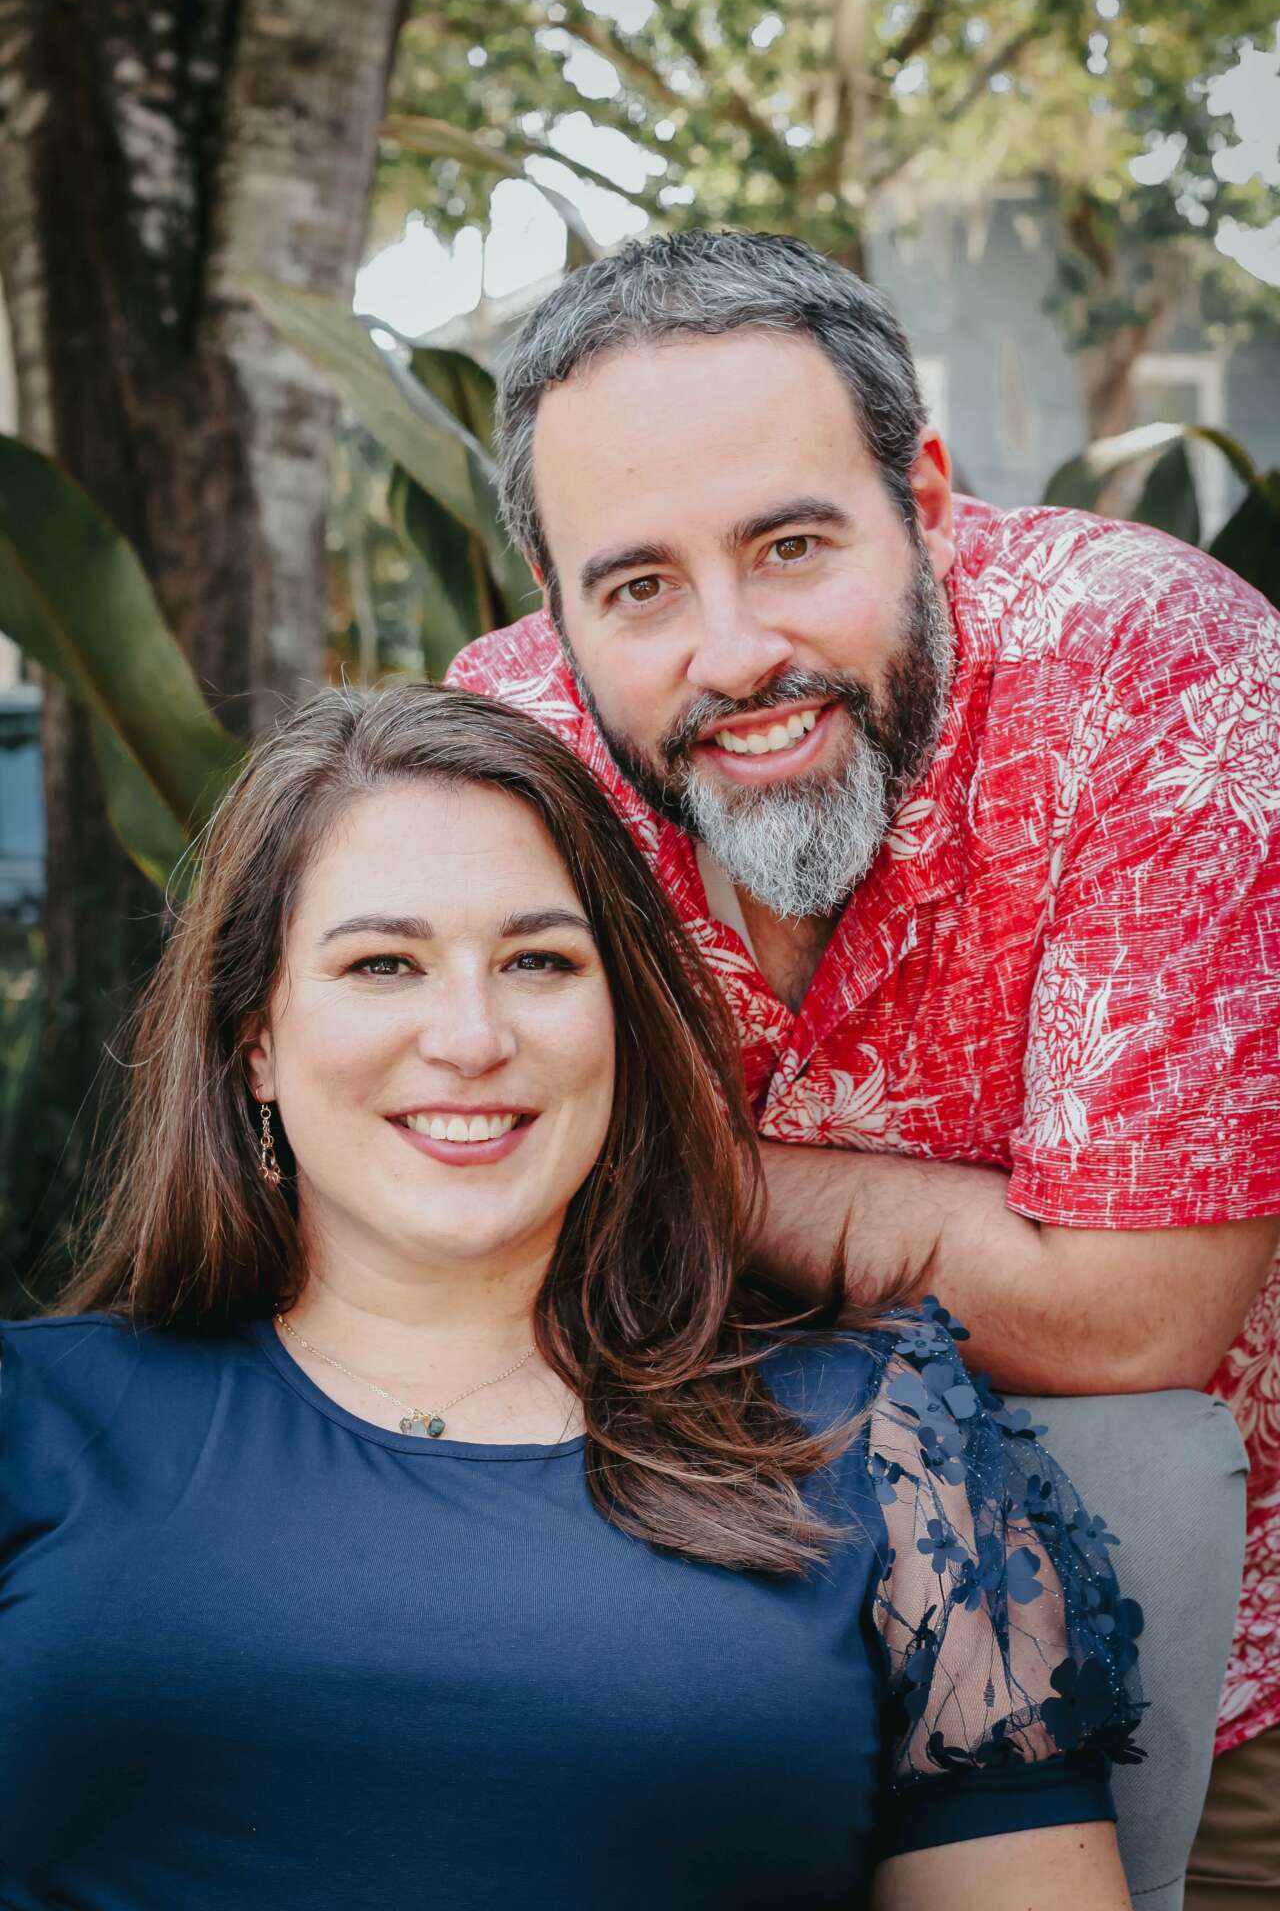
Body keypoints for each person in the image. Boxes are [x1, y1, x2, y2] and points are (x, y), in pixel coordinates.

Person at [0, 684, 1143, 1909]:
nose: (470, 1037)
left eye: (537, 961)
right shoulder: (36, 1417)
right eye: (383, 964)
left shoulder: (872, 1437)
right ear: (255, 1042)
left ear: (620, 1021)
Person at [445, 228, 1280, 1896]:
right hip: (709, 1634)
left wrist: (678, 1167)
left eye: (792, 545)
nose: (735, 651)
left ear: (930, 503)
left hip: (1216, 1645)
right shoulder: (508, 759)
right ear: (554, 605)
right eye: (639, 585)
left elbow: (1137, 1318)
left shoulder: (1153, 672)